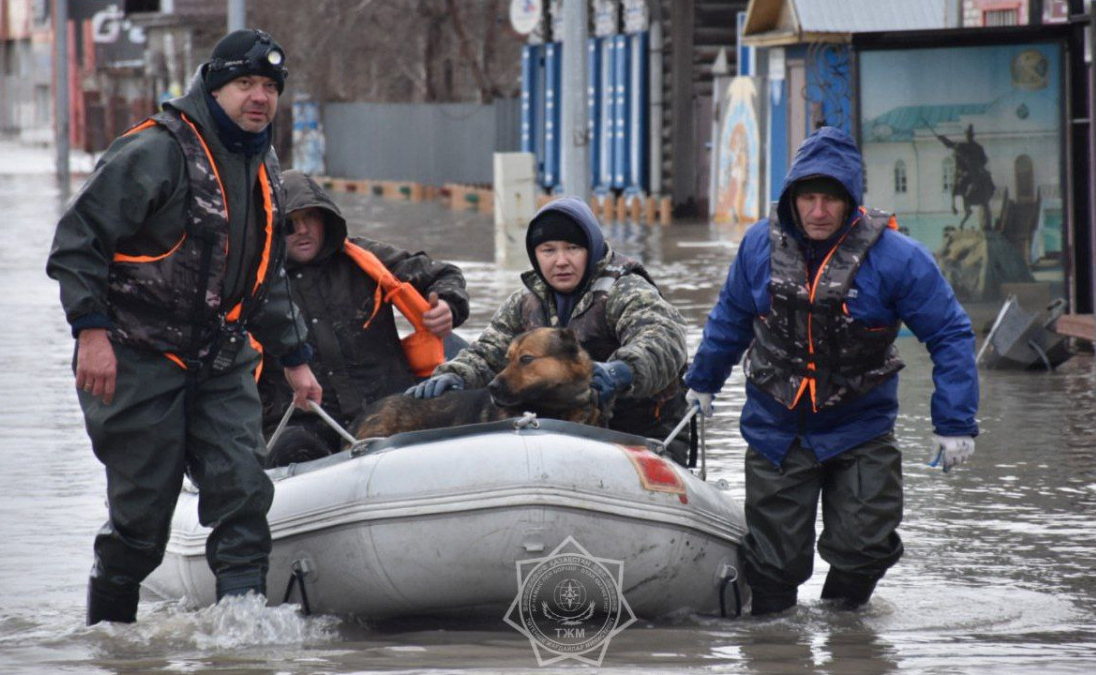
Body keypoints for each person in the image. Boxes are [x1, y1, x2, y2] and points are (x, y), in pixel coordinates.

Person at [46, 29, 322, 625]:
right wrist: (90, 335)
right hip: (138, 356)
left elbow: (265, 275)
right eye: (245, 83)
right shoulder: (154, 151)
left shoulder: (263, 160)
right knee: (142, 522)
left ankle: (242, 640)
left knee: (244, 495)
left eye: (270, 87)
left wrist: (295, 359)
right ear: (214, 86)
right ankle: (110, 636)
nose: (260, 98)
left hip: (222, 359)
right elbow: (77, 243)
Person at [683, 127, 979, 614]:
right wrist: (701, 382)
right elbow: (731, 317)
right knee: (773, 563)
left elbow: (949, 333)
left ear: (851, 203)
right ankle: (777, 649)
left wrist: (955, 423)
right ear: (792, 200)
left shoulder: (897, 259)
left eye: (831, 201)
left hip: (859, 425)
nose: (818, 212)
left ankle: (845, 634)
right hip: (776, 425)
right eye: (809, 199)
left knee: (867, 547)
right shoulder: (759, 246)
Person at [409, 196, 692, 460]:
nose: (561, 261)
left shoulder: (626, 291)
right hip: (559, 433)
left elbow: (664, 339)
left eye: (573, 248)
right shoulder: (525, 302)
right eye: (548, 250)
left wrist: (620, 371)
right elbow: (488, 353)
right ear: (535, 255)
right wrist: (454, 376)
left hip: (641, 435)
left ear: (591, 248)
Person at [258, 170, 470, 467]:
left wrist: (448, 305)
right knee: (290, 448)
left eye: (312, 218)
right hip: (306, 423)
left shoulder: (365, 258)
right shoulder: (253, 281)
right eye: (292, 223)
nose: (303, 230)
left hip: (388, 410)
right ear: (274, 227)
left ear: (327, 219)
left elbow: (444, 273)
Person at [934, 123, 995, 229]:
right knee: (961, 182)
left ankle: (961, 200)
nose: (968, 137)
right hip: (972, 171)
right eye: (968, 135)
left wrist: (975, 163)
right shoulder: (966, 146)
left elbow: (984, 160)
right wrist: (942, 139)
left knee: (970, 181)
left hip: (973, 171)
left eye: (969, 135)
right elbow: (950, 144)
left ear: (971, 136)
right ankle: (955, 204)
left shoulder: (975, 147)